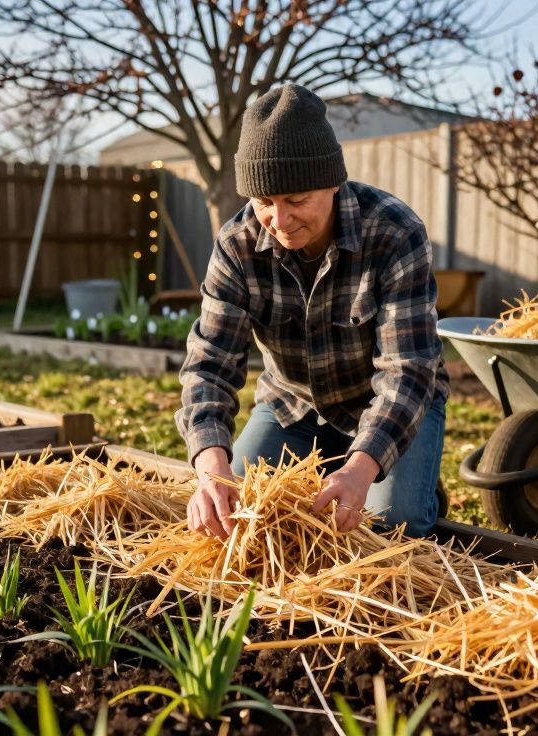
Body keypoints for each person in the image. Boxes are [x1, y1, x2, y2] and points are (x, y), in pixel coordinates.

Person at [175, 83, 448, 540]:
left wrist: (360, 471)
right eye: (265, 203)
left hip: (390, 405)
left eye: (297, 201)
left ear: (333, 182)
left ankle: (407, 481)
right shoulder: (236, 246)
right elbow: (208, 367)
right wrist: (210, 470)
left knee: (388, 526)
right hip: (292, 405)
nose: (280, 221)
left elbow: (407, 371)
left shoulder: (395, 232)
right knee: (243, 513)